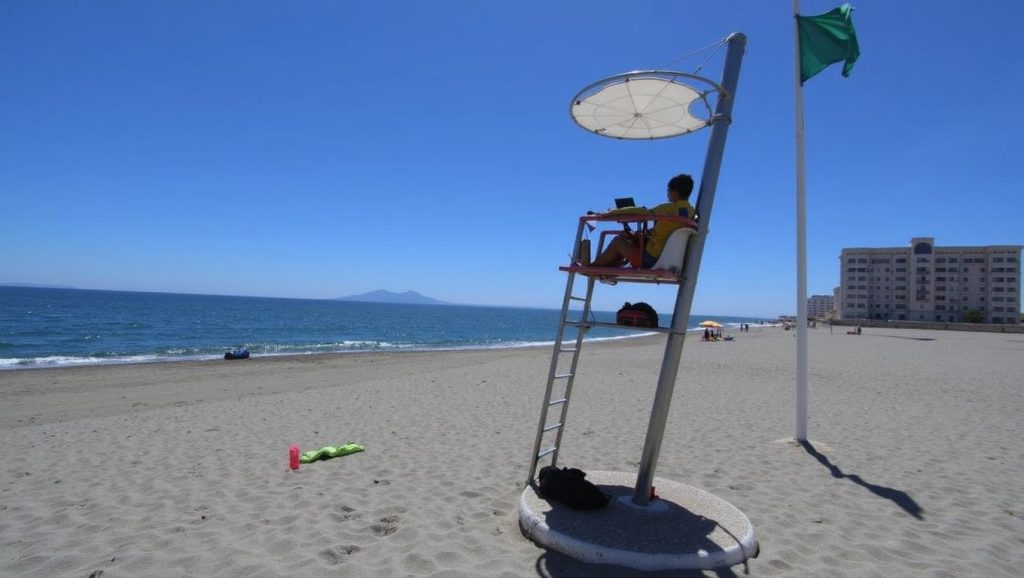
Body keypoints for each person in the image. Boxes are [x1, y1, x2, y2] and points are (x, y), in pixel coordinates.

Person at [591, 174, 697, 268]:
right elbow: (668, 231)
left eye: (668, 190)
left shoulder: (668, 208)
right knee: (629, 237)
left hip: (650, 260)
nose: (667, 193)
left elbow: (642, 212)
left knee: (617, 241)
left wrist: (611, 212)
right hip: (668, 258)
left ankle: (593, 268)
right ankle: (608, 267)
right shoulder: (692, 212)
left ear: (675, 193)